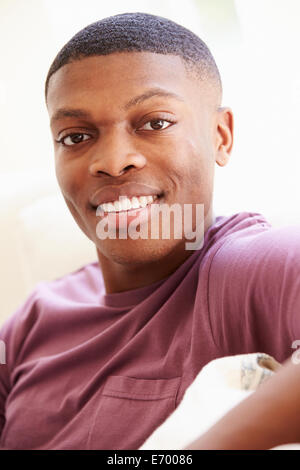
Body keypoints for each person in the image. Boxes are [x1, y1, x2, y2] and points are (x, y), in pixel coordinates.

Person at [1, 11, 300, 450]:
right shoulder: (35, 320)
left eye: (155, 123)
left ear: (221, 137)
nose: (113, 159)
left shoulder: (249, 268)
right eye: (75, 136)